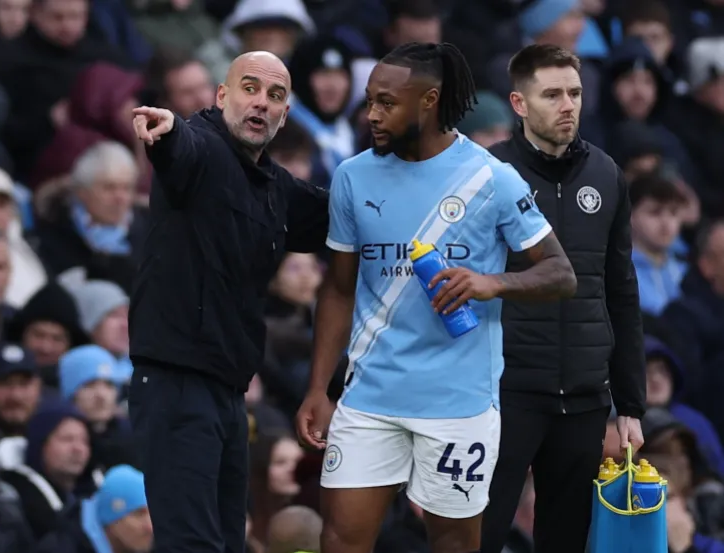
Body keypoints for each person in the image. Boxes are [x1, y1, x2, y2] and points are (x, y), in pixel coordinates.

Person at [295, 41, 577, 553]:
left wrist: (492, 283)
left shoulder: (491, 178)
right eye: (370, 100)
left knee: (453, 544)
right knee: (338, 539)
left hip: (458, 404)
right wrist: (318, 387)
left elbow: (561, 274)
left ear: (428, 101)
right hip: (369, 397)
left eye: (386, 103)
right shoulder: (352, 176)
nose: (371, 114)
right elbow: (337, 288)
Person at [128, 51, 329, 553]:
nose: (261, 103)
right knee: (191, 545)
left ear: (285, 115)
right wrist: (168, 129)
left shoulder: (274, 187)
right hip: (176, 382)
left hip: (230, 394)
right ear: (222, 96)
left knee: (225, 543)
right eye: (250, 88)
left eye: (275, 96)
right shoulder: (202, 147)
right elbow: (183, 146)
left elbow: (338, 214)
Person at [480, 44, 647, 553]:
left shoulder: (606, 175)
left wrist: (630, 404)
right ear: (519, 103)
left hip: (584, 396)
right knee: (479, 537)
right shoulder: (488, 174)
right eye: (551, 95)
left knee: (567, 542)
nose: (567, 105)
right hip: (504, 393)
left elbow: (621, 292)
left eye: (574, 93)